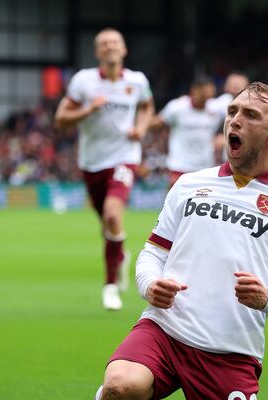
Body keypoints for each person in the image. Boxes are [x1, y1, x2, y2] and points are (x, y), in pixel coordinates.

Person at [35, 82, 268, 400]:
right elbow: (151, 254)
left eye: (251, 115)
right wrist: (151, 285)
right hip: (167, 330)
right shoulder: (190, 184)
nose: (236, 119)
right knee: (119, 384)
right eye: (233, 111)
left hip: (230, 351)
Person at [54, 28, 155, 310]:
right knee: (107, 225)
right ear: (98, 52)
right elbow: (61, 119)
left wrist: (142, 129)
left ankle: (110, 286)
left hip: (125, 157)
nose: (110, 47)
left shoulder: (137, 81)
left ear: (124, 50)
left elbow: (147, 107)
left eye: (115, 43)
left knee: (113, 214)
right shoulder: (84, 81)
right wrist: (88, 110)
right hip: (92, 162)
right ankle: (119, 254)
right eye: (104, 44)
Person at [150, 76, 221, 188]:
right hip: (179, 164)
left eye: (209, 96)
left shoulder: (216, 108)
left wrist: (223, 138)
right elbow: (156, 124)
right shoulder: (177, 107)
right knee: (174, 201)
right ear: (194, 91)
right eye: (204, 95)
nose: (206, 99)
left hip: (205, 166)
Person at [208, 71, 250, 162]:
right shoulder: (219, 103)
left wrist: (225, 140)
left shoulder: (253, 106)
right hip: (214, 155)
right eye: (232, 83)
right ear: (226, 86)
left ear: (247, 86)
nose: (235, 86)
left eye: (238, 83)